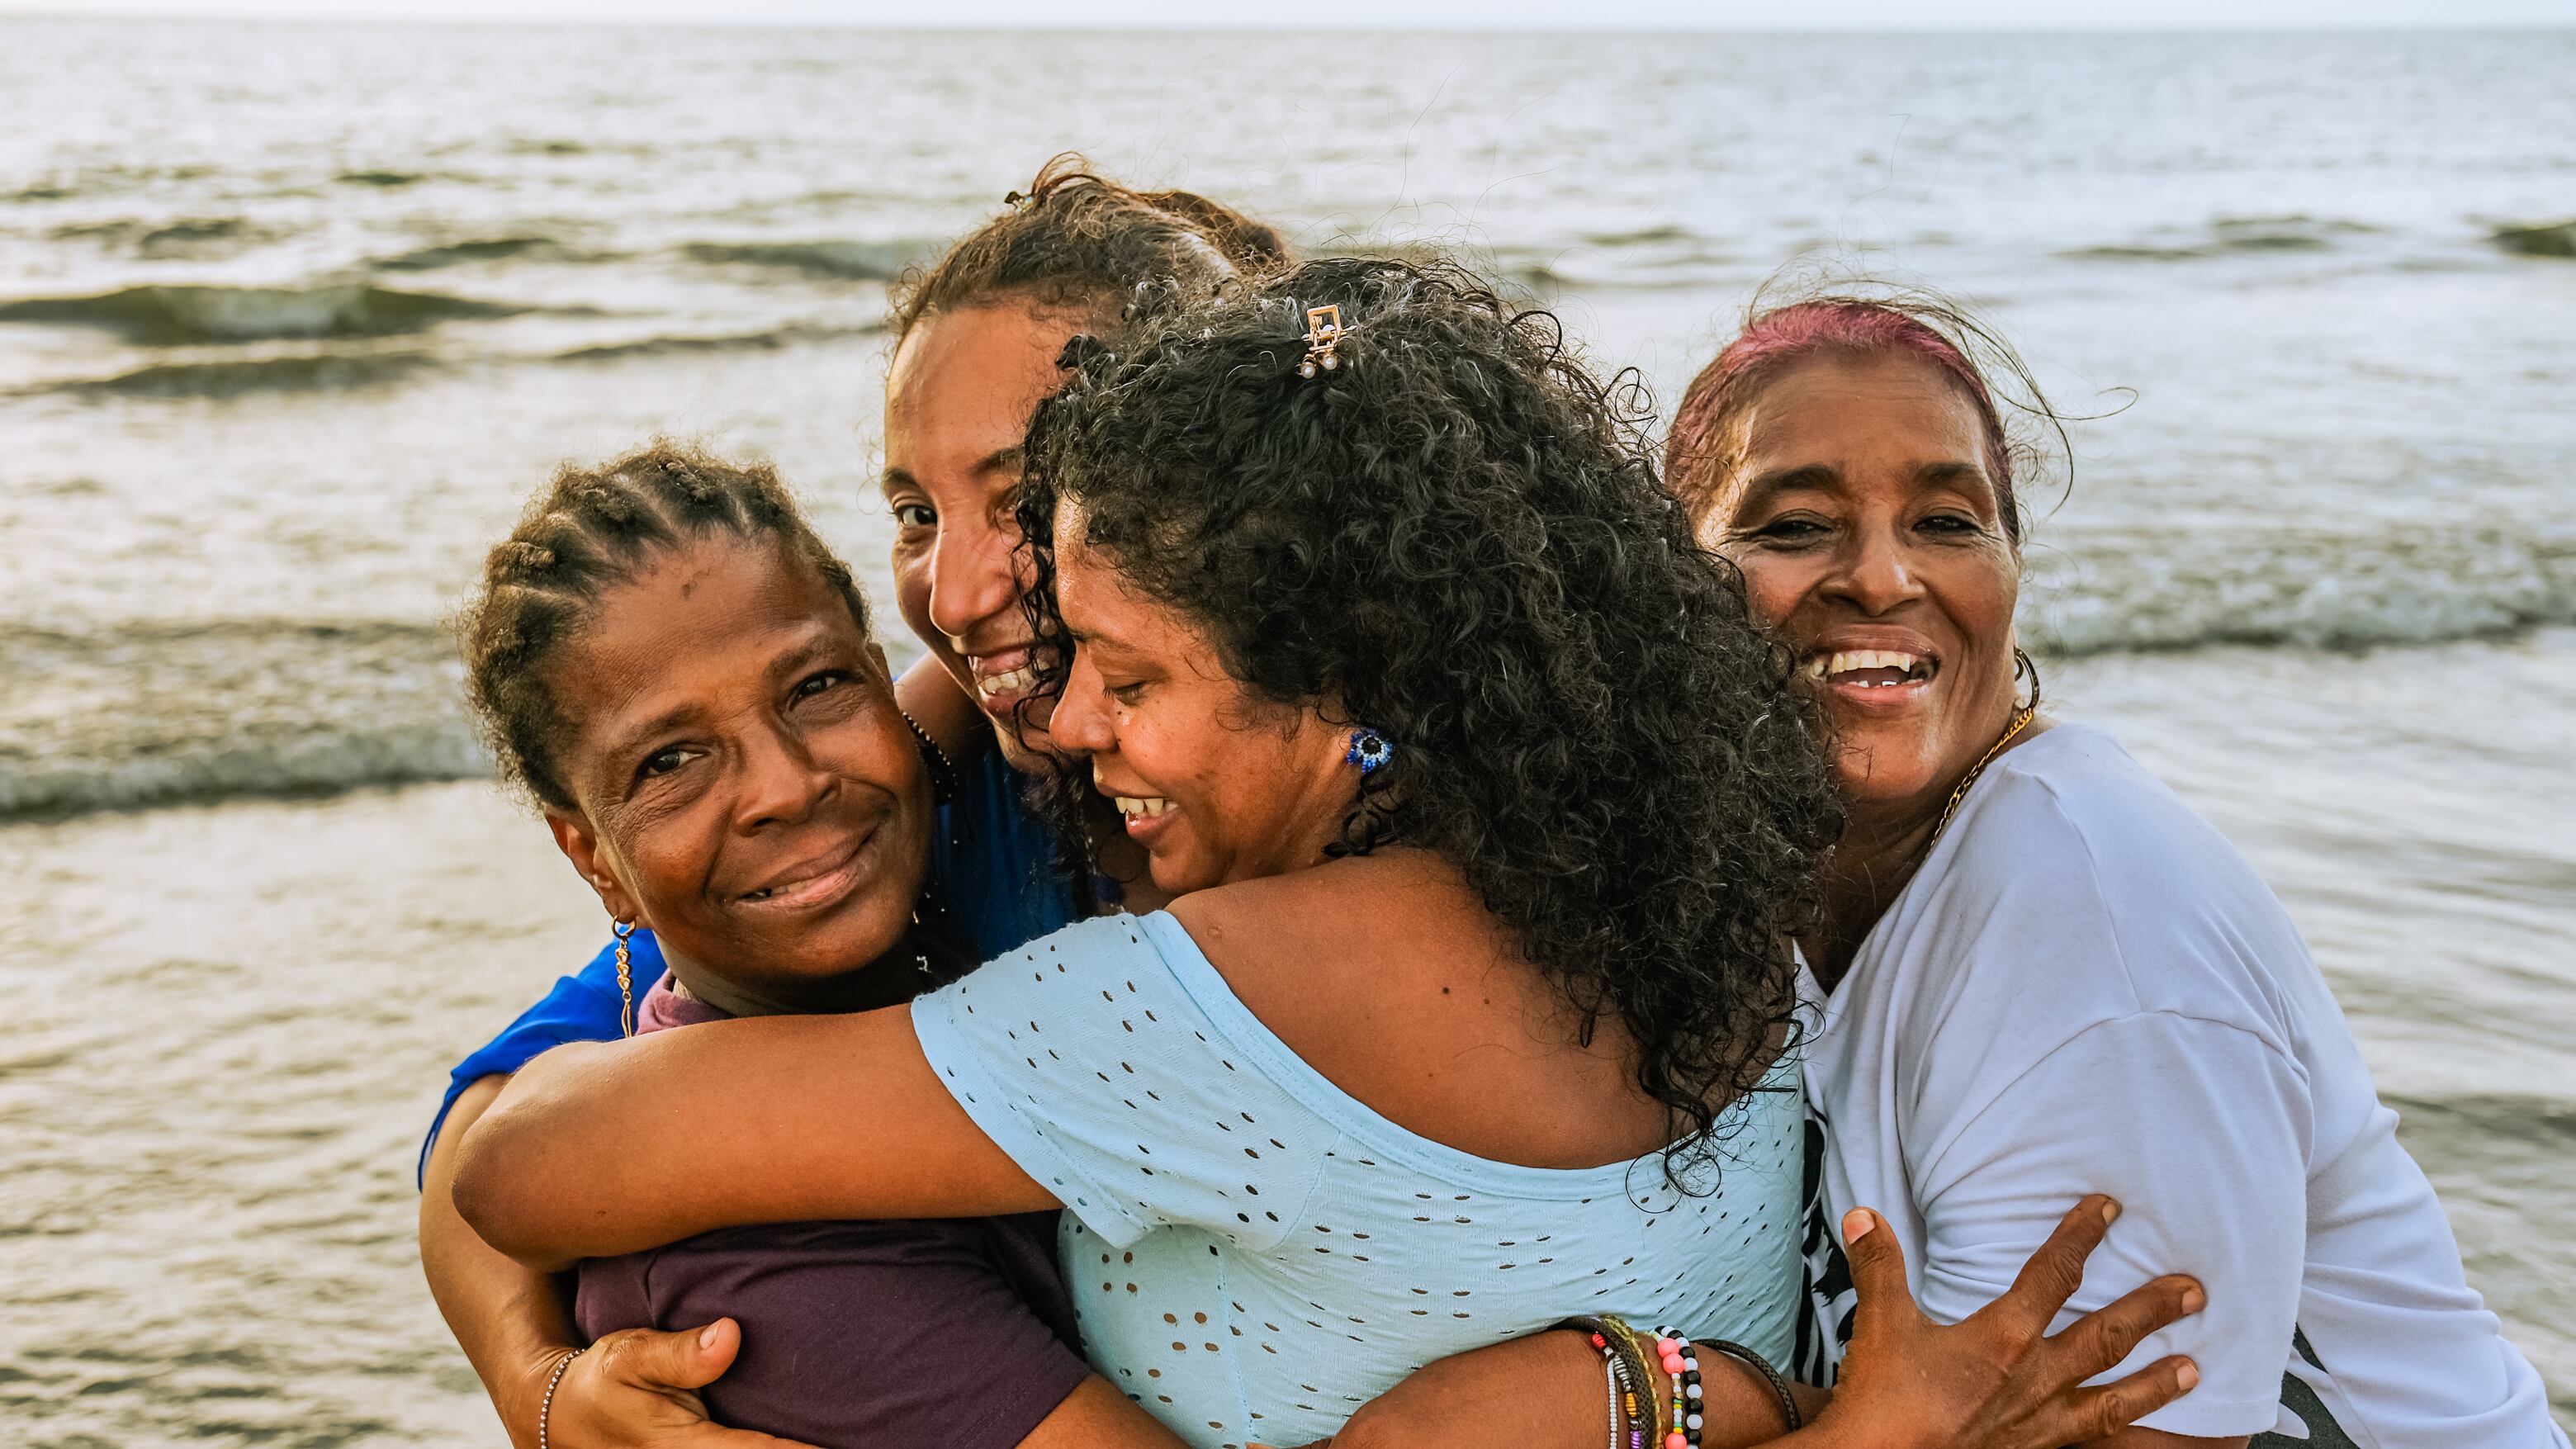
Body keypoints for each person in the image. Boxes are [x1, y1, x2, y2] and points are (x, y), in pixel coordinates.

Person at [449, 260, 2204, 1449]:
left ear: (1343, 673)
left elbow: (524, 1167)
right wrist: (1697, 1398)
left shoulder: (1215, 1002)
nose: (1067, 723)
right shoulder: (1672, 850)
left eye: (1127, 675)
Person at [418, 159, 1288, 1448]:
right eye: (913, 512)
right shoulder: (943, 788)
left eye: (1022, 498)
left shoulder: (1394, 804)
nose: (956, 586)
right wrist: (537, 1386)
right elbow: (491, 1132)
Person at [1661, 293, 2569, 1447]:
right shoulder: (1742, 881)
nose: (1882, 577)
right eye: (1792, 527)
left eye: (1947, 520)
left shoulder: (2089, 922)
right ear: (1667, 581)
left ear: (2011, 569)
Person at [443, 442, 1187, 1447]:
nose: (787, 786)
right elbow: (487, 1145)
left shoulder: (968, 813)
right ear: (590, 855)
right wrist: (532, 1386)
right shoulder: (752, 1269)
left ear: (887, 686)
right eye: (670, 760)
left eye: (815, 690)